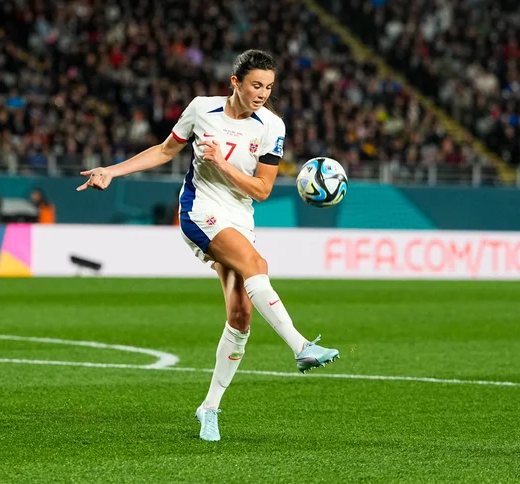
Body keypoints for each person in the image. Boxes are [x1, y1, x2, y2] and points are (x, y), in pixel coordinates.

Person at [76, 50, 339, 442]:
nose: (262, 93)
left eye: (268, 87)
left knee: (241, 317)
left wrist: (222, 164)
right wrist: (110, 171)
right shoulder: (201, 110)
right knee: (256, 263)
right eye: (255, 85)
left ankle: (209, 408)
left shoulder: (272, 126)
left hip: (240, 218)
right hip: (199, 211)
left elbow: (262, 190)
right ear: (235, 82)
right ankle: (300, 345)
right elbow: (165, 150)